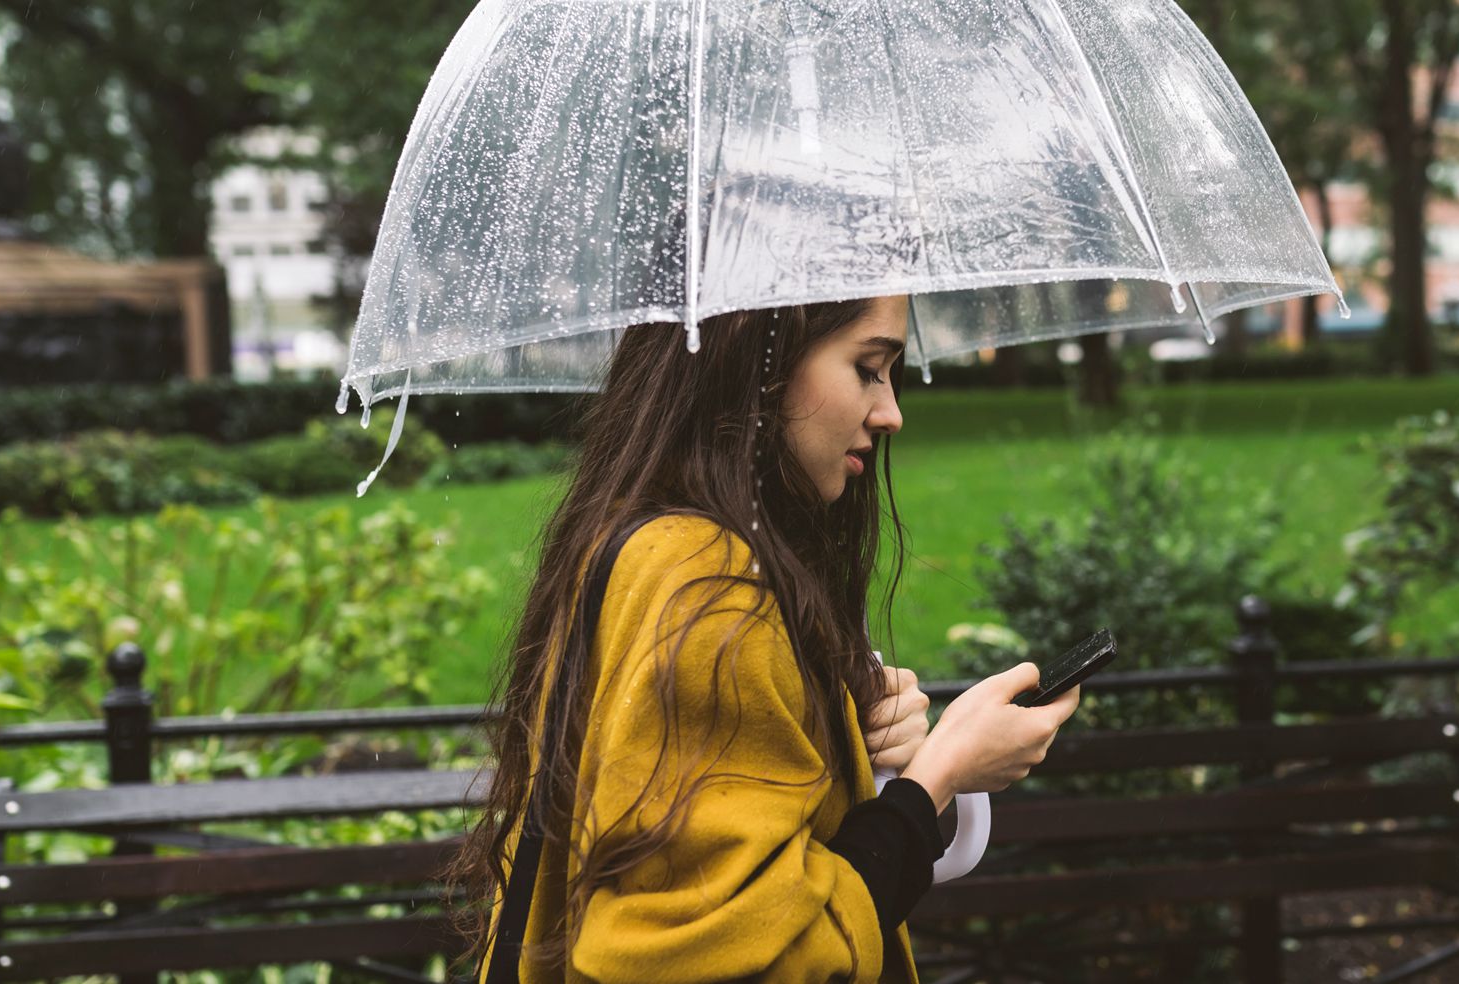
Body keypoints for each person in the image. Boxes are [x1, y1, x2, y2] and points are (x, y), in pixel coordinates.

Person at [455, 294, 1082, 983]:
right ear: (761, 359)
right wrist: (939, 776)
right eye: (867, 368)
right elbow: (736, 955)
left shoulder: (650, 541)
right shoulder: (707, 588)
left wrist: (843, 737)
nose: (891, 412)